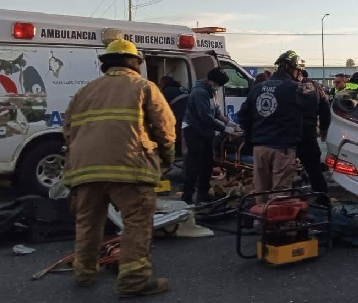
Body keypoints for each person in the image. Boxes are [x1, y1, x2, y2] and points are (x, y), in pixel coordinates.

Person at [63, 39, 175, 298]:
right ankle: (134, 281)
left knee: (88, 223)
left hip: (85, 171)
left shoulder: (84, 92)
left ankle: (84, 273)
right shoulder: (144, 87)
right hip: (130, 168)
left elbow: (68, 132)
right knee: (137, 222)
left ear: (106, 64)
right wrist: (166, 160)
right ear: (135, 62)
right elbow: (165, 129)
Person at [239, 51, 316, 202]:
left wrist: (254, 135)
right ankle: (276, 224)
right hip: (282, 149)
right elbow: (311, 104)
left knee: (260, 191)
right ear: (292, 68)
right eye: (298, 70)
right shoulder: (295, 88)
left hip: (260, 148)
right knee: (280, 194)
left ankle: (260, 221)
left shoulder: (258, 88)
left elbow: (243, 116)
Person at [181, 68, 232, 205]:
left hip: (205, 132)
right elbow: (205, 117)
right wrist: (224, 128)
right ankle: (187, 197)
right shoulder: (199, 93)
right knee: (194, 164)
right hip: (194, 130)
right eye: (219, 84)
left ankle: (203, 194)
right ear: (212, 81)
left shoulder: (211, 92)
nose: (219, 88)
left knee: (207, 163)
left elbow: (217, 113)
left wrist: (231, 124)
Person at [298, 69, 331, 199]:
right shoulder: (316, 88)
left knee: (285, 171)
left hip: (288, 134)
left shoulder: (287, 87)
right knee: (314, 169)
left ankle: (291, 200)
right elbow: (325, 111)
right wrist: (323, 131)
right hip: (308, 133)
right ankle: (322, 200)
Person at [158, 76, 189, 158]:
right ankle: (182, 155)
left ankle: (176, 155)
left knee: (176, 134)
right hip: (189, 116)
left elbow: (161, 108)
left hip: (179, 115)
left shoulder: (166, 91)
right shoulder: (181, 88)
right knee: (184, 135)